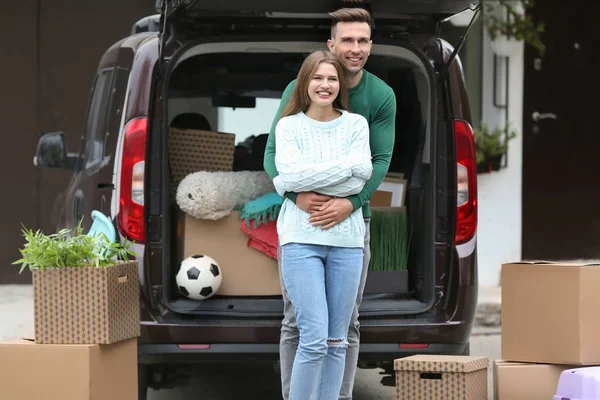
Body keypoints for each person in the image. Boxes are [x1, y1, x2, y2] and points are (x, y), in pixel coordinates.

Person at [264, 7, 397, 400]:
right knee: (300, 326)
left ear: (370, 45)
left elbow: (376, 163)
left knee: (345, 327)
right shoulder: (297, 92)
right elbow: (275, 156)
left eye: (362, 40)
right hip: (302, 223)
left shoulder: (381, 96)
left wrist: (351, 201)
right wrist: (294, 193)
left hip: (353, 223)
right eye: (347, 40)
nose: (354, 48)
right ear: (331, 44)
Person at [272, 49, 373, 400]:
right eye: (317, 78)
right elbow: (288, 174)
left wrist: (301, 179)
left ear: (340, 84)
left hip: (348, 243)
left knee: (337, 340)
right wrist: (341, 168)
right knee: (313, 338)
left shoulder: (355, 124)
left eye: (331, 78)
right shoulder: (289, 126)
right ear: (305, 83)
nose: (325, 85)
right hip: (300, 241)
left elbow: (360, 180)